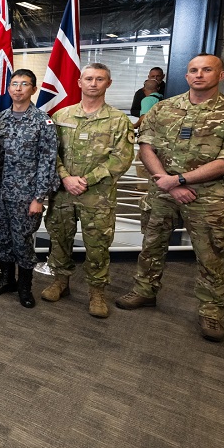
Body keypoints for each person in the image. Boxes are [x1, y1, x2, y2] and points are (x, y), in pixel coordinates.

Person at [116, 54, 224, 342]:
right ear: (186, 75)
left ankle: (212, 311)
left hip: (207, 195)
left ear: (221, 75)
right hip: (161, 189)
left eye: (207, 70)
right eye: (193, 70)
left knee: (209, 254)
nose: (199, 75)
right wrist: (168, 183)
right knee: (151, 245)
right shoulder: (164, 108)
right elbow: (146, 146)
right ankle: (144, 291)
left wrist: (180, 180)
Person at [41, 63, 134, 318]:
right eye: (89, 79)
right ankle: (61, 282)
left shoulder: (118, 120)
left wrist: (86, 179)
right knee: (59, 240)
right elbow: (51, 153)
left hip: (98, 197)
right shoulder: (61, 116)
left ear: (108, 83)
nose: (93, 83)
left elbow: (121, 159)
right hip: (63, 193)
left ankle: (97, 292)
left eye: (99, 79)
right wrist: (65, 177)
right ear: (79, 83)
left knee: (97, 246)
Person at [0, 69, 58, 309]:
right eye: (14, 84)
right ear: (8, 89)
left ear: (33, 90)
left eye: (24, 84)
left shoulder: (43, 121)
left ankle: (25, 287)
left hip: (26, 196)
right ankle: (7, 279)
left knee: (22, 241)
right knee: (1, 239)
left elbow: (48, 161)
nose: (18, 88)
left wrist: (39, 197)